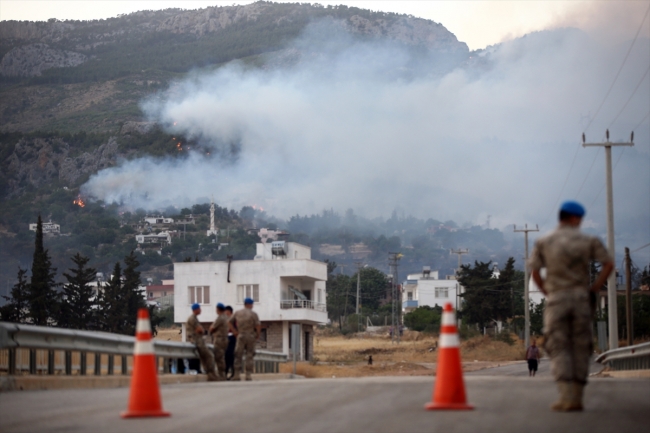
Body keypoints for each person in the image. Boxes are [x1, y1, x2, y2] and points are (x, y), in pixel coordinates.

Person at [529, 200, 613, 411]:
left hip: (556, 299)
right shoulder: (588, 240)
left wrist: (547, 292)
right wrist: (594, 288)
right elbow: (609, 264)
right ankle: (577, 395)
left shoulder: (544, 241)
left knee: (558, 346)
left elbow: (535, 272)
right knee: (580, 345)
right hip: (581, 298)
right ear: (575, 218)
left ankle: (565, 395)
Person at [229, 298, 261, 381]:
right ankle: (248, 375)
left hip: (241, 335)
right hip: (250, 335)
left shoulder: (237, 312)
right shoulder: (253, 314)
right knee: (249, 355)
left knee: (238, 355)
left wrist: (234, 331)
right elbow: (258, 325)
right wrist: (257, 335)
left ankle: (236, 375)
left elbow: (229, 322)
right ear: (249, 304)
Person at [186, 303, 218, 381]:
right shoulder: (192, 318)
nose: (200, 310)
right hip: (196, 340)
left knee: (205, 357)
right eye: (199, 308)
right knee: (209, 356)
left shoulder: (194, 318)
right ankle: (211, 374)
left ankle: (210, 374)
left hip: (196, 340)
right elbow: (199, 329)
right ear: (196, 309)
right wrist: (202, 330)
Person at [208, 302, 229, 380]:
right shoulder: (226, 317)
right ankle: (223, 374)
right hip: (225, 338)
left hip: (219, 339)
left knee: (219, 357)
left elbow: (212, 328)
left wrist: (211, 329)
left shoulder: (220, 318)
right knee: (222, 357)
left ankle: (221, 375)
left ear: (218, 309)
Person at [224, 305, 236, 379]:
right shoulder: (227, 319)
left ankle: (232, 373)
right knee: (227, 356)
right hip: (227, 338)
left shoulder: (233, 319)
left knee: (230, 356)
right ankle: (227, 373)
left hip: (232, 338)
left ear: (228, 311)